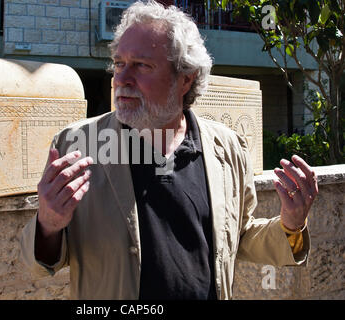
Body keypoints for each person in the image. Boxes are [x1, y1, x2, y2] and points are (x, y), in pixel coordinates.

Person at [20, 0, 318, 300]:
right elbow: (40, 265)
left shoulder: (227, 147)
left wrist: (291, 226)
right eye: (119, 63)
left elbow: (239, 236)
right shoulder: (77, 146)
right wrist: (48, 224)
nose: (121, 79)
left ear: (185, 78)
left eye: (142, 65)